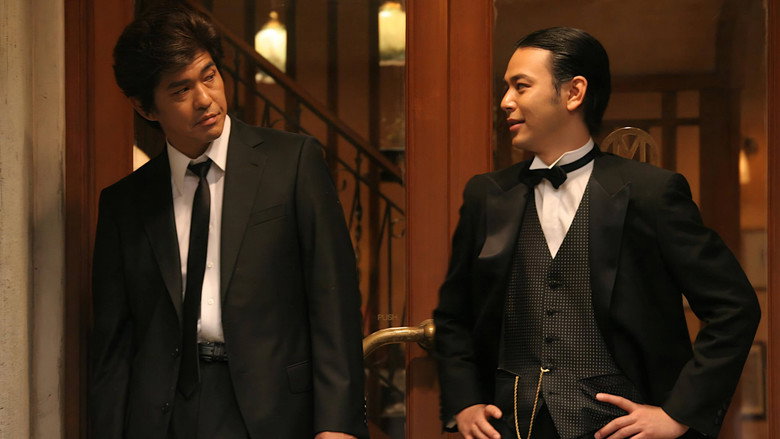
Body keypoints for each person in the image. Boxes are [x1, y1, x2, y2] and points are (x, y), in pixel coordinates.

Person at [434, 27, 760, 439]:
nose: (506, 101)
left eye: (521, 86)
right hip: (511, 425)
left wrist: (678, 413)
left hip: (620, 429)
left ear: (574, 92)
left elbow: (734, 307)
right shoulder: (487, 195)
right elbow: (454, 314)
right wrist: (464, 401)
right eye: (506, 87)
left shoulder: (651, 193)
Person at [89, 5, 367, 439]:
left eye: (210, 75)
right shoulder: (125, 203)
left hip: (274, 406)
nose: (205, 98)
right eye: (181, 89)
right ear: (145, 107)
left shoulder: (292, 163)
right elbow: (113, 344)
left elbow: (334, 300)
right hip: (165, 414)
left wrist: (338, 423)